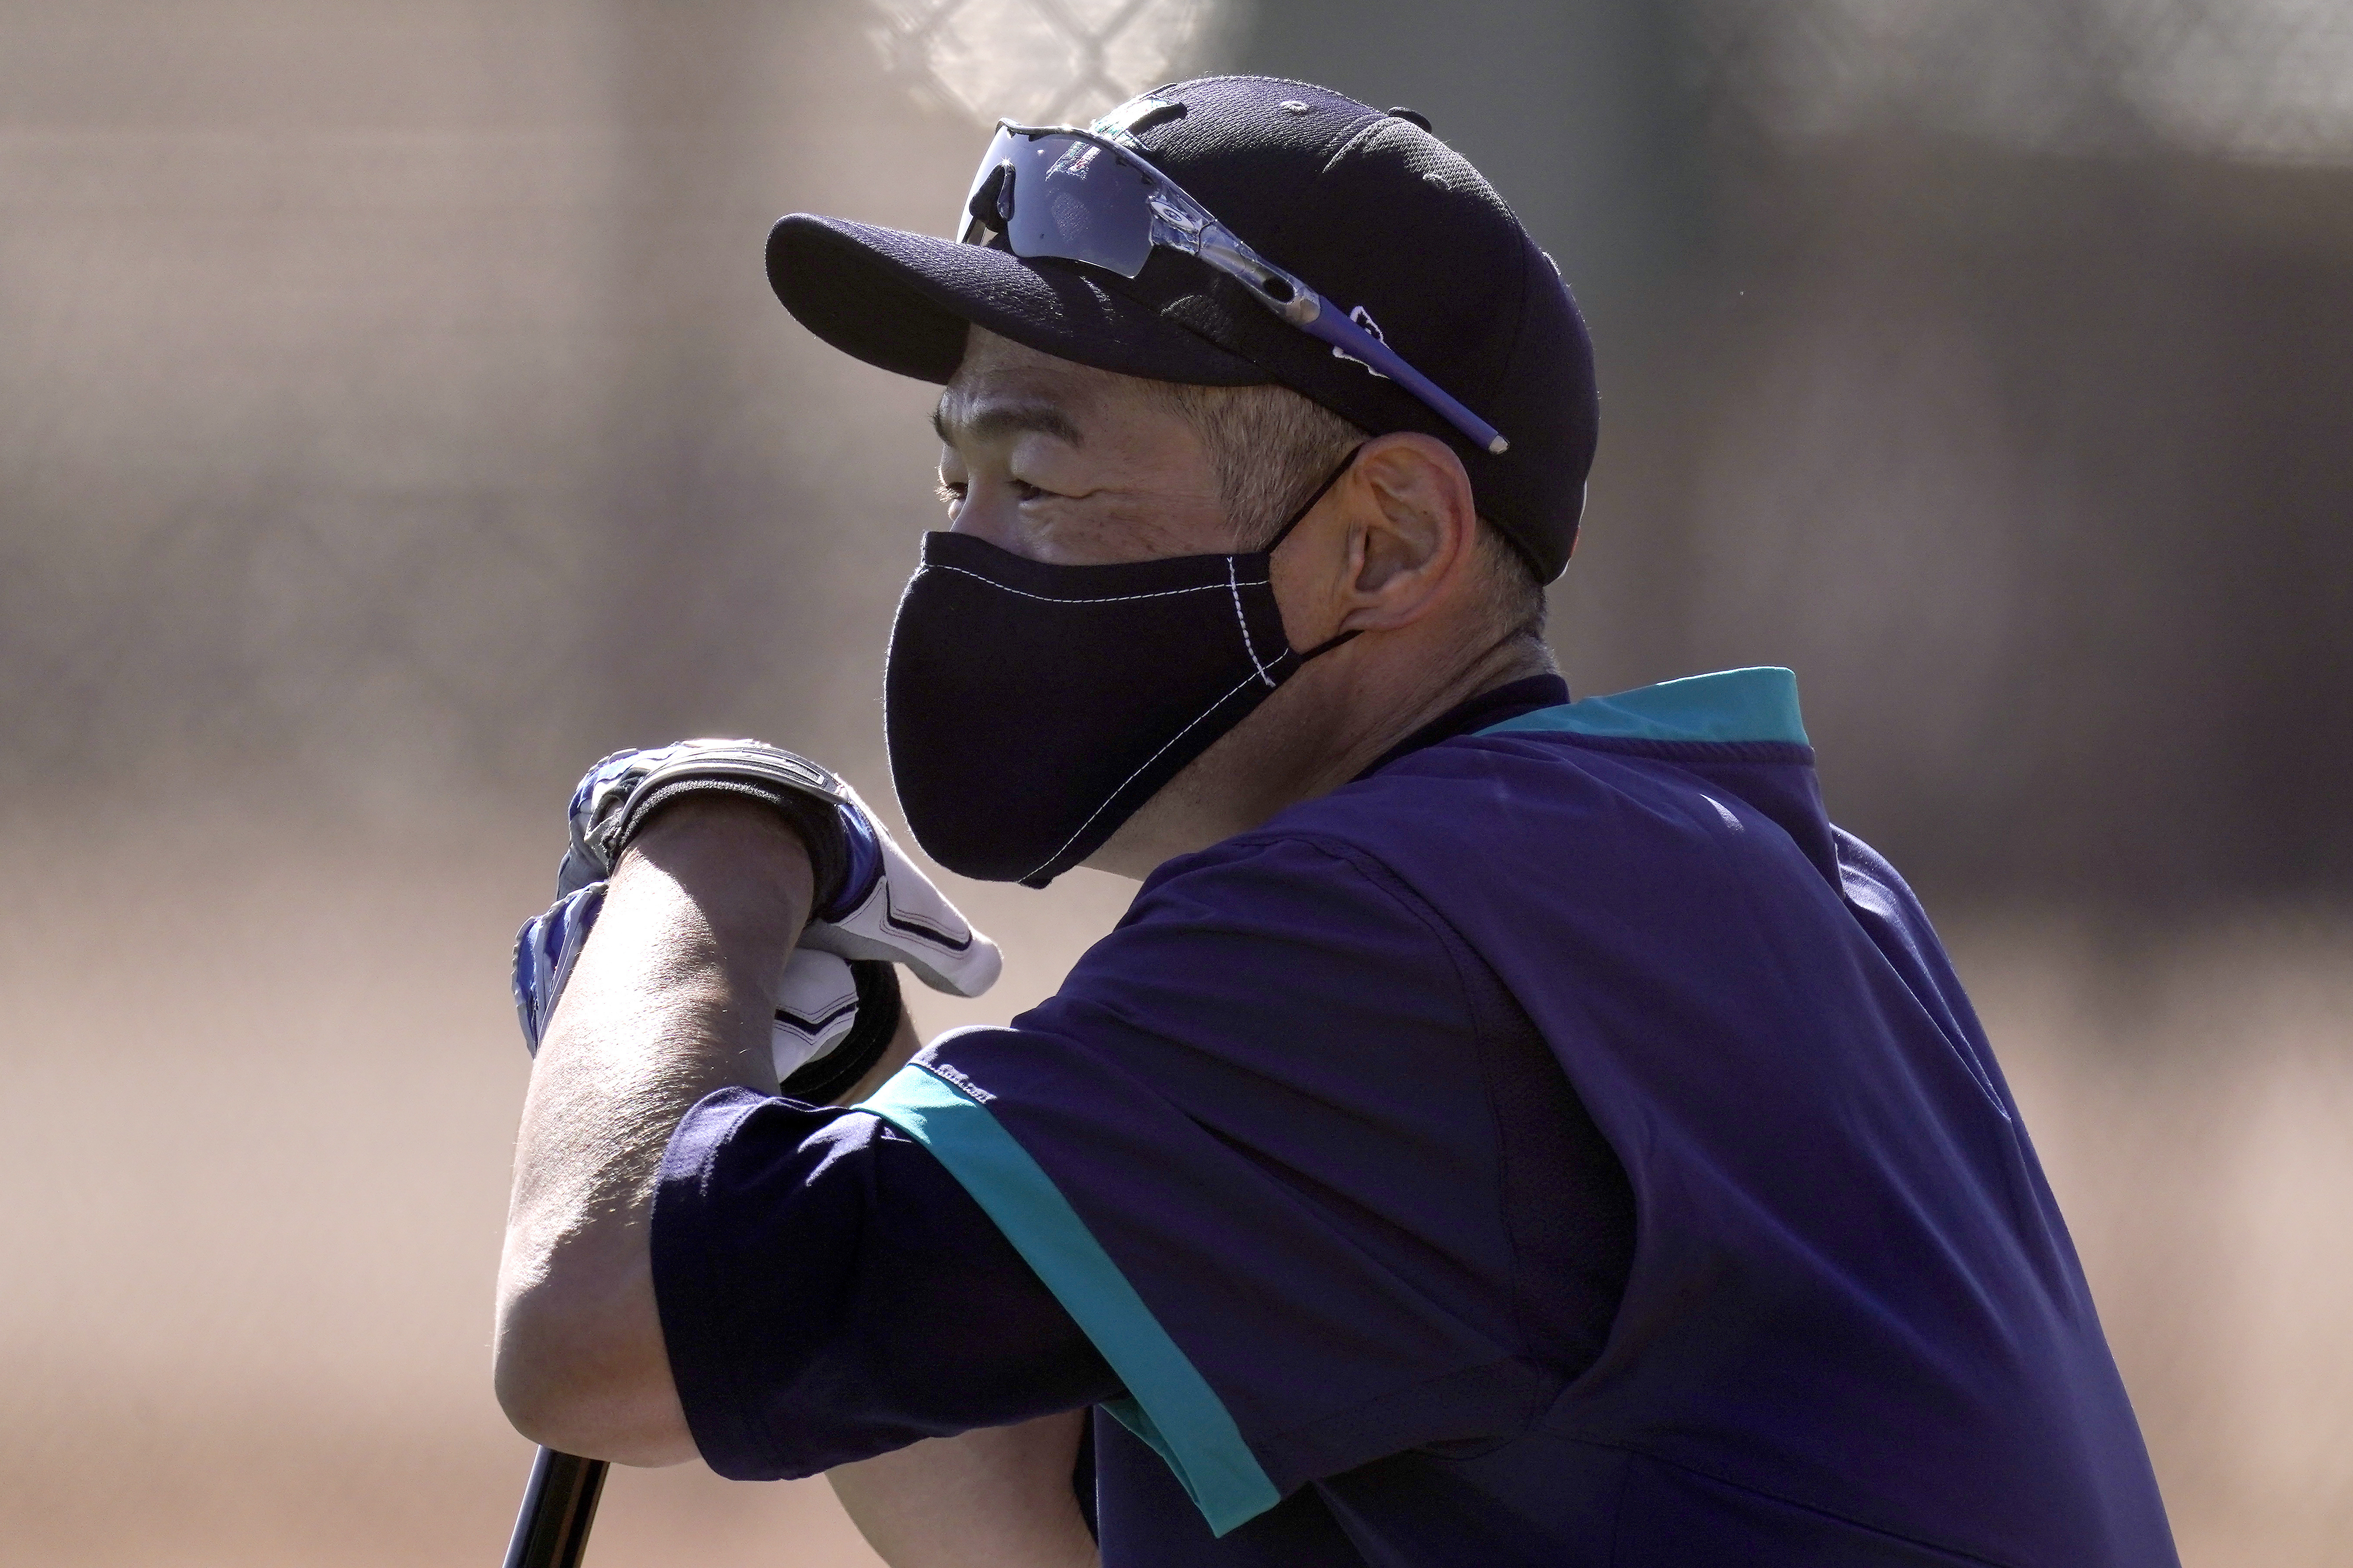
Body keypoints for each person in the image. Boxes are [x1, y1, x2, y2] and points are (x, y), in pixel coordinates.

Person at [493, 76, 2179, 1567]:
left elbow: (590, 1320)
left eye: (1048, 480)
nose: (973, 556)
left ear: (1383, 541)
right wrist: (827, 1108)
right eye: (958, 481)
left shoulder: (1394, 939)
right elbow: (1040, 1524)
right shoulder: (1736, 889)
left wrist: (706, 851)